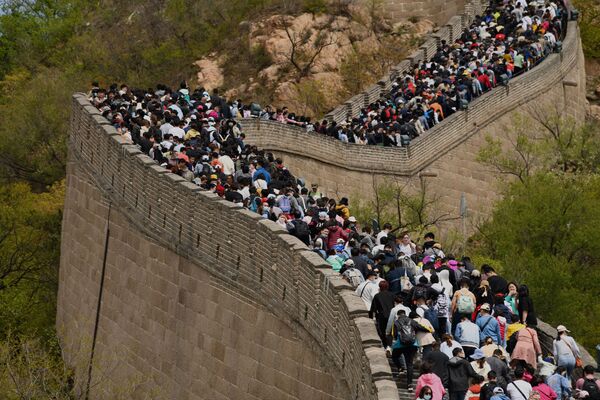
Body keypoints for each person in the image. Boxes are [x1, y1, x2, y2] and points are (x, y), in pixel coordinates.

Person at [390, 309, 430, 390]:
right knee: (410, 364)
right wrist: (428, 330)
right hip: (412, 345)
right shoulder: (411, 321)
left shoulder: (396, 322)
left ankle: (400, 368)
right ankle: (410, 385)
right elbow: (420, 327)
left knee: (394, 356)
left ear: (398, 315)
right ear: (405, 314)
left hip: (401, 345)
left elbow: (393, 334)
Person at [370, 280, 396, 347]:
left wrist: (371, 318)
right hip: (391, 315)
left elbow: (373, 309)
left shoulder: (377, 296)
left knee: (383, 332)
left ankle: (385, 346)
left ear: (380, 287)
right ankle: (390, 346)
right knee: (390, 332)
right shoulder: (392, 295)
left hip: (381, 316)